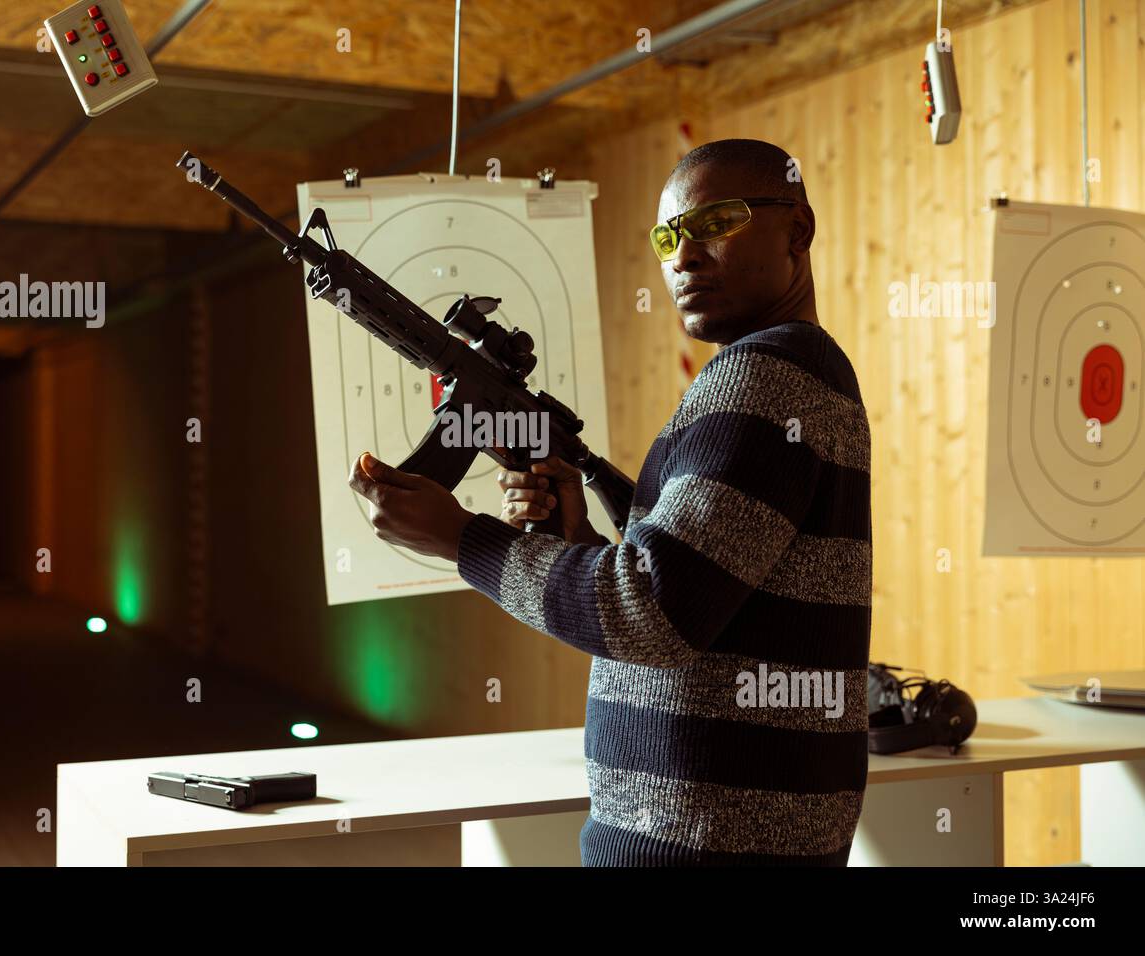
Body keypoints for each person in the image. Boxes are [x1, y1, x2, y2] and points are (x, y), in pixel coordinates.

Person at [349, 138, 872, 866]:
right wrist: (585, 544)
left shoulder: (762, 378)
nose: (683, 256)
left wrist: (464, 541)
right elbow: (708, 591)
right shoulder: (799, 372)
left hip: (702, 845)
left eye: (715, 222)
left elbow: (652, 614)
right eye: (667, 237)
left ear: (798, 230)